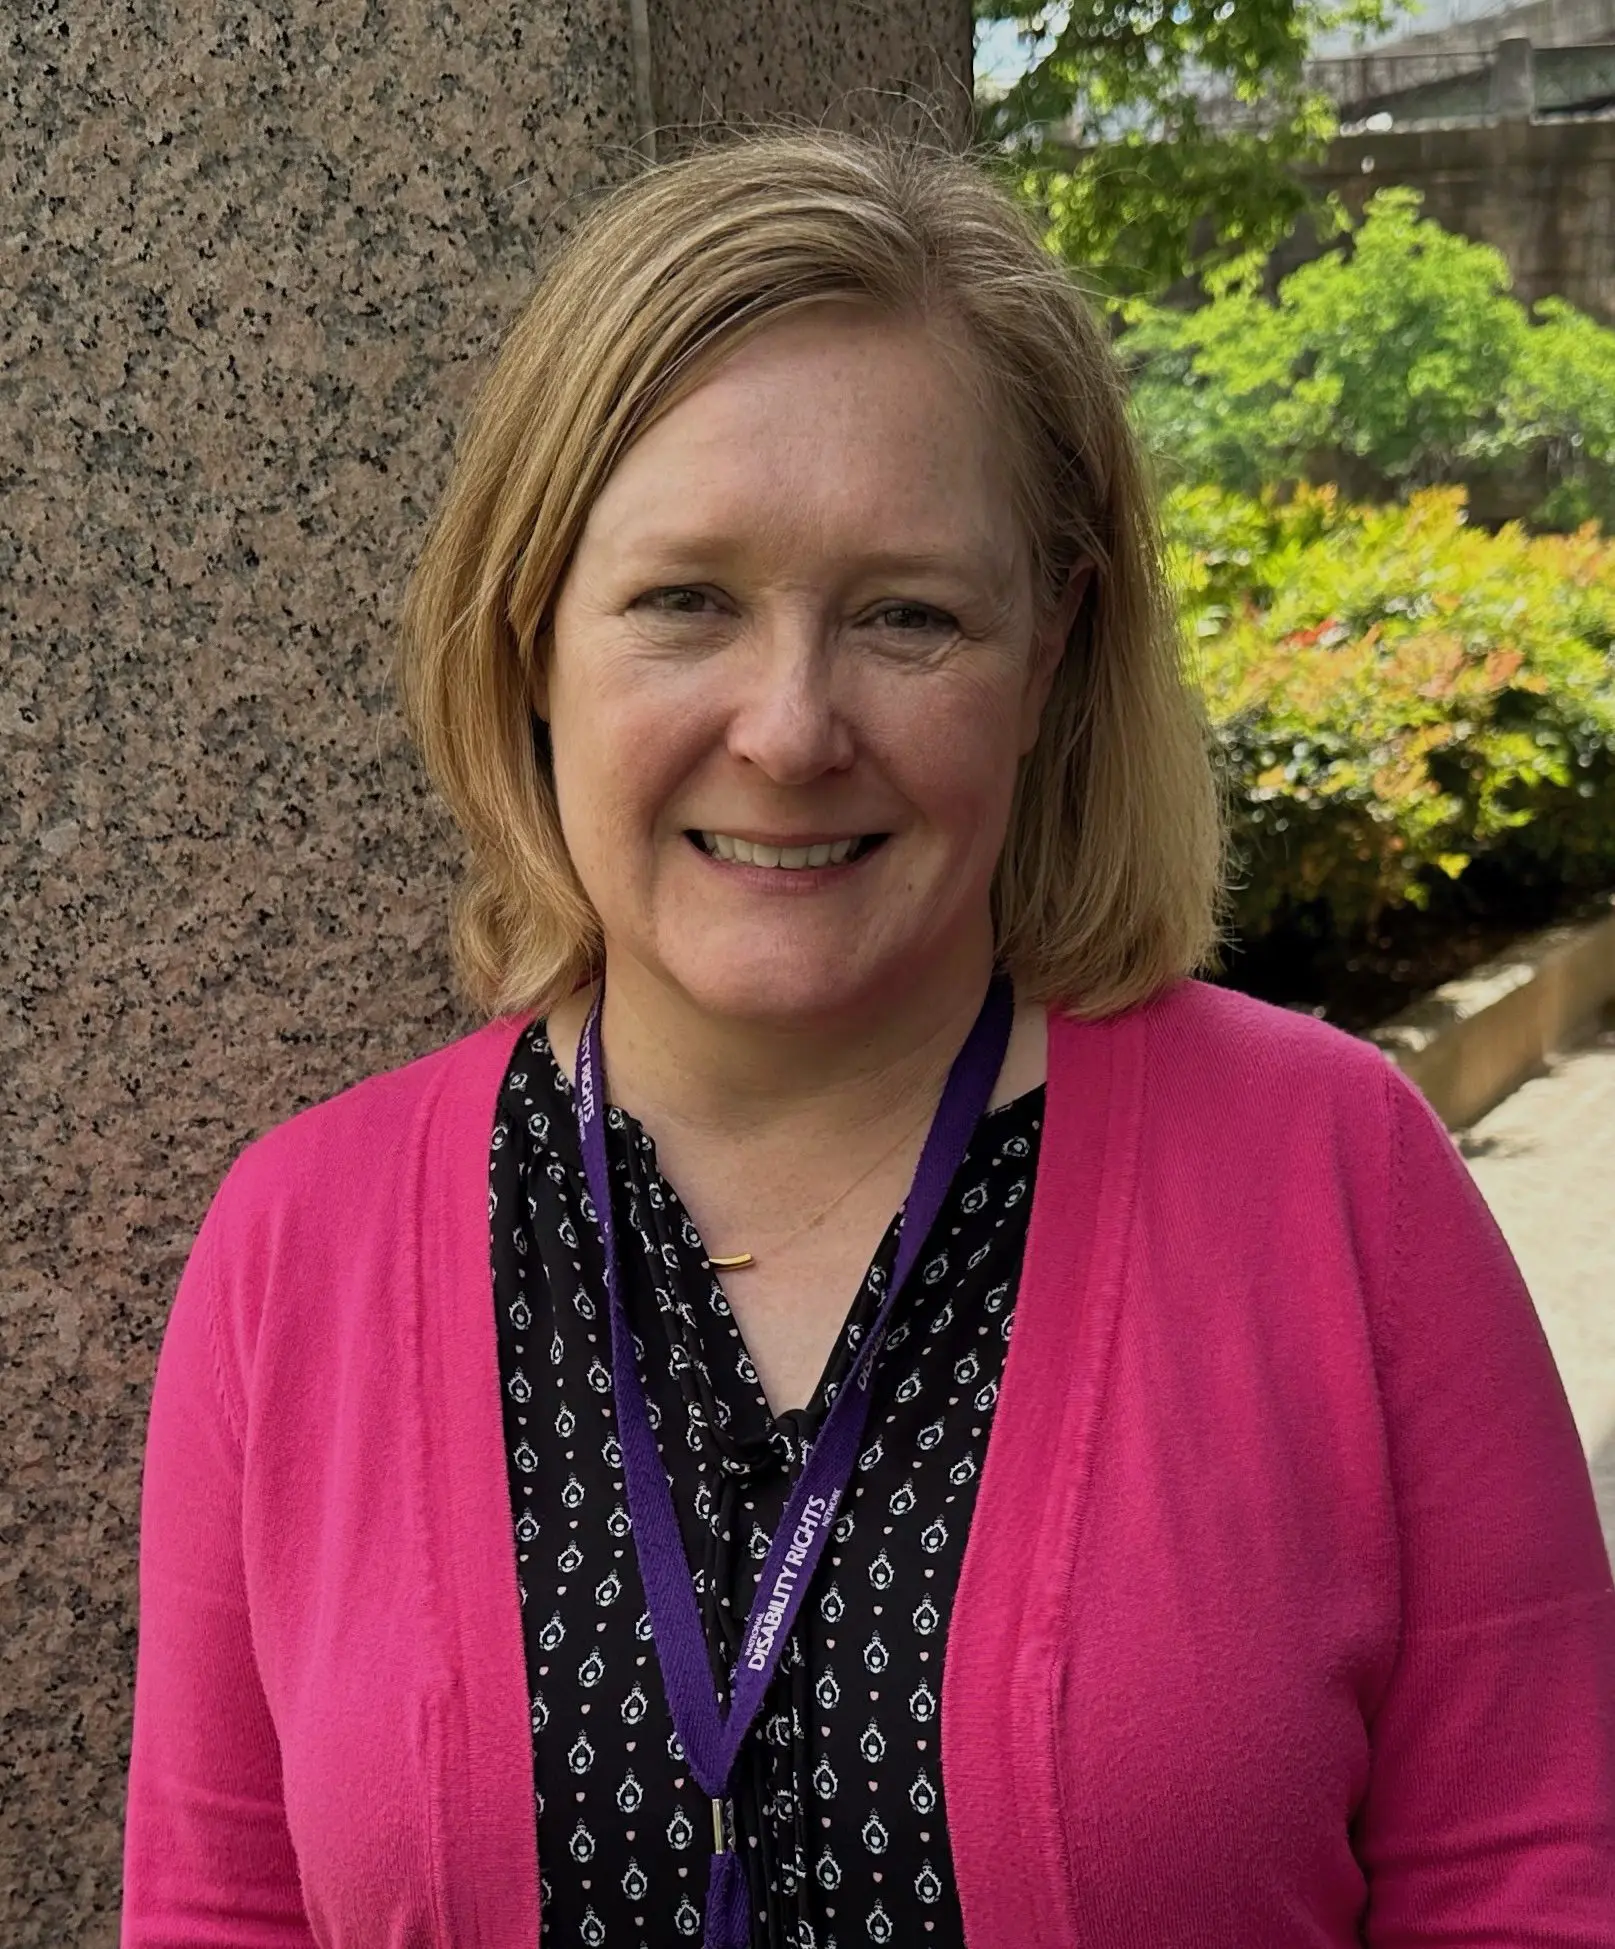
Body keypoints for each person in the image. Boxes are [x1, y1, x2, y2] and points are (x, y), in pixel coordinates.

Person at [121, 128, 1615, 1949]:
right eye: (684, 601)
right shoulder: (301, 1247)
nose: (790, 726)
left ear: (1050, 653)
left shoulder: (1336, 1184)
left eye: (908, 615)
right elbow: (219, 1914)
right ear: (529, 633)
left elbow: (1529, 1891)